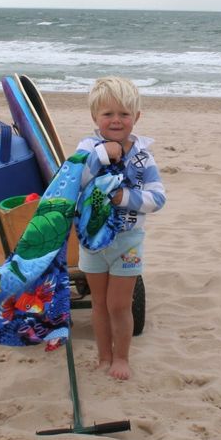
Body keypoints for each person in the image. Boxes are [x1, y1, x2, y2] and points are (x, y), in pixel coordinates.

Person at [76, 76, 166, 380]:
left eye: (124, 114)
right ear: (95, 117)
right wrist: (103, 154)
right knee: (99, 304)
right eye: (108, 114)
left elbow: (157, 198)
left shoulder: (143, 156)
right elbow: (76, 178)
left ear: (136, 118)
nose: (116, 120)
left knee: (119, 305)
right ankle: (104, 356)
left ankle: (122, 358)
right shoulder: (88, 146)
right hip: (92, 240)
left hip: (127, 240)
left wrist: (122, 197)